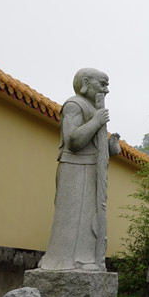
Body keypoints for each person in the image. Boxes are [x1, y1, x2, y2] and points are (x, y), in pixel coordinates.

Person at [39, 68, 121, 271]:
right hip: (74, 169)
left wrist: (110, 146)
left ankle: (86, 258)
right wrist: (96, 122)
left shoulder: (94, 109)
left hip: (92, 169)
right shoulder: (74, 105)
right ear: (86, 83)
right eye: (103, 84)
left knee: (89, 218)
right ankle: (64, 261)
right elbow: (73, 141)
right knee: (73, 216)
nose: (107, 90)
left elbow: (96, 146)